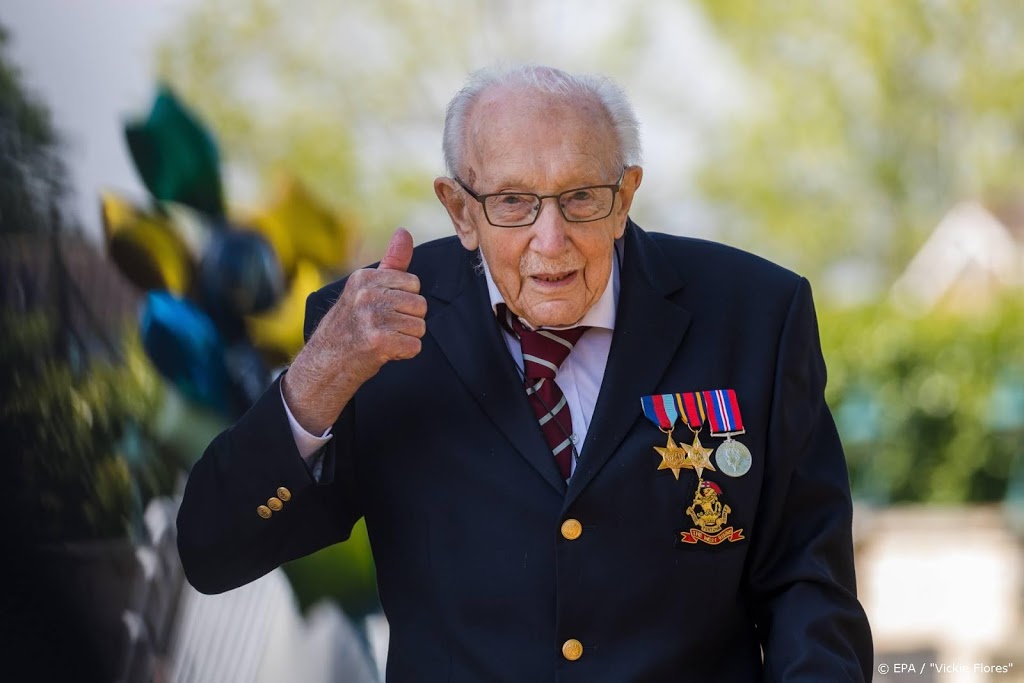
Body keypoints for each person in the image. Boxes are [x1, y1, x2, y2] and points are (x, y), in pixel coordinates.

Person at [177, 64, 873, 681]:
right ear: (460, 210)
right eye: (512, 201)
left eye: (581, 197)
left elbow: (807, 584)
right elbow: (212, 549)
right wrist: (320, 376)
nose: (551, 239)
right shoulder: (369, 327)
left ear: (625, 195)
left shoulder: (756, 315)